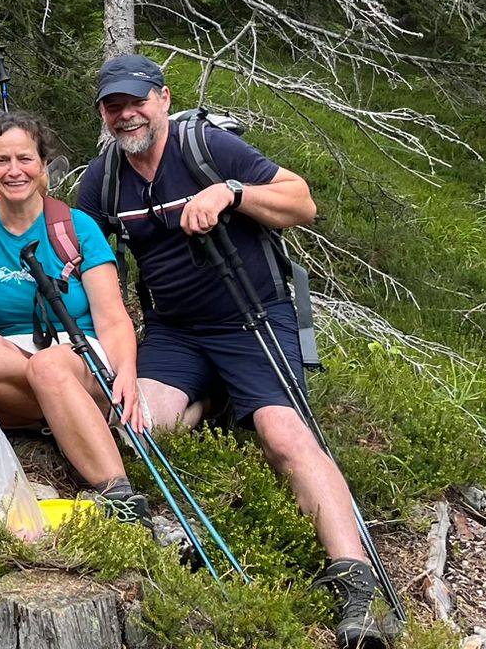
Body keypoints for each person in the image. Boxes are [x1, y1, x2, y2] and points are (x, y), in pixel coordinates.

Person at [72, 54, 394, 649]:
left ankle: (357, 585)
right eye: (113, 106)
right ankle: (215, 396)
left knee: (283, 435)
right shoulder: (104, 178)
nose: (126, 114)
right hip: (174, 331)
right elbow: (75, 242)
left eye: (136, 101)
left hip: (253, 319)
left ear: (163, 99)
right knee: (142, 423)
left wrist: (231, 192)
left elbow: (300, 202)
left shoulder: (206, 147)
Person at [0, 111, 144, 510]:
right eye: (2, 161)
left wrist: (126, 377)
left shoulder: (76, 226)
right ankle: (65, 415)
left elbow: (112, 317)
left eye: (25, 159)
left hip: (79, 353)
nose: (14, 171)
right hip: (11, 361)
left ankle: (117, 488)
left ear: (41, 164)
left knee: (50, 365)